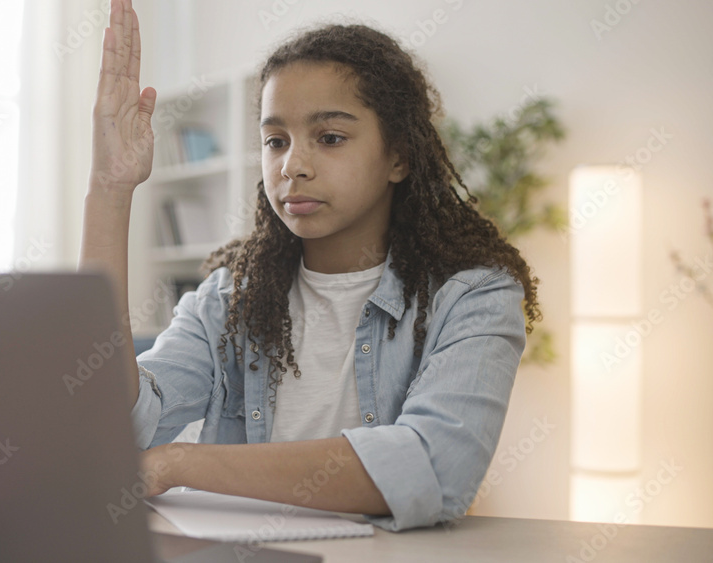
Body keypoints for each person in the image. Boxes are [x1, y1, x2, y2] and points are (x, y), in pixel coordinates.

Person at [80, 0, 541, 532]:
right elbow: (114, 427)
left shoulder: (474, 295)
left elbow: (433, 467)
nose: (292, 166)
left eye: (330, 138)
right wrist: (110, 190)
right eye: (276, 141)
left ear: (399, 156)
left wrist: (180, 464)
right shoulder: (228, 299)